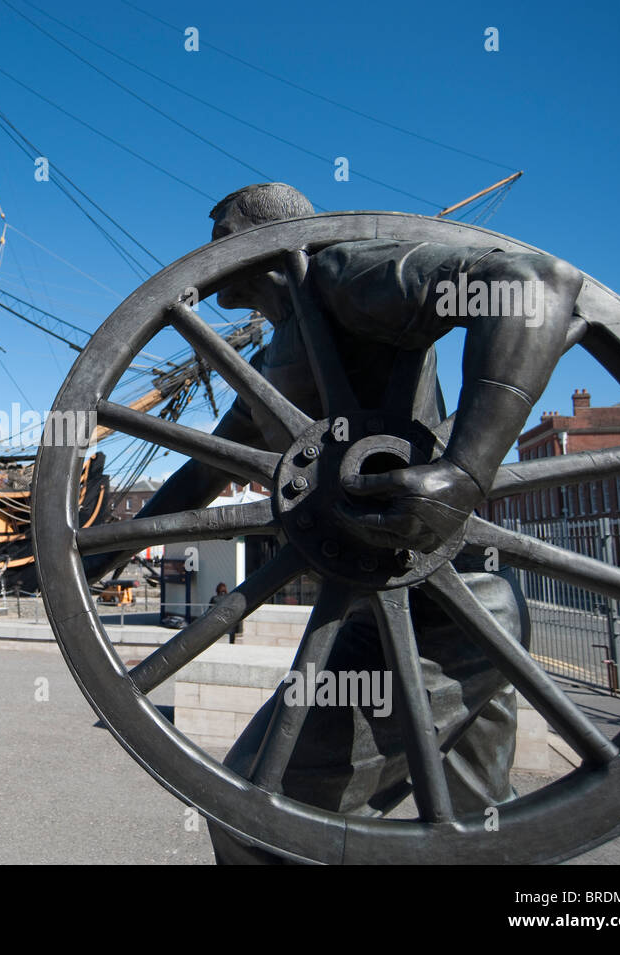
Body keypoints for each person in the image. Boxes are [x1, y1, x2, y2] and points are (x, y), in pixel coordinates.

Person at [98, 182, 581, 864]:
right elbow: (204, 470)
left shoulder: (341, 274)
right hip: (390, 614)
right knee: (478, 835)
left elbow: (534, 284)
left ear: (255, 237)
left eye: (218, 230)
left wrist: (464, 472)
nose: (203, 254)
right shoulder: (271, 359)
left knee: (253, 818)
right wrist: (102, 550)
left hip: (450, 616)